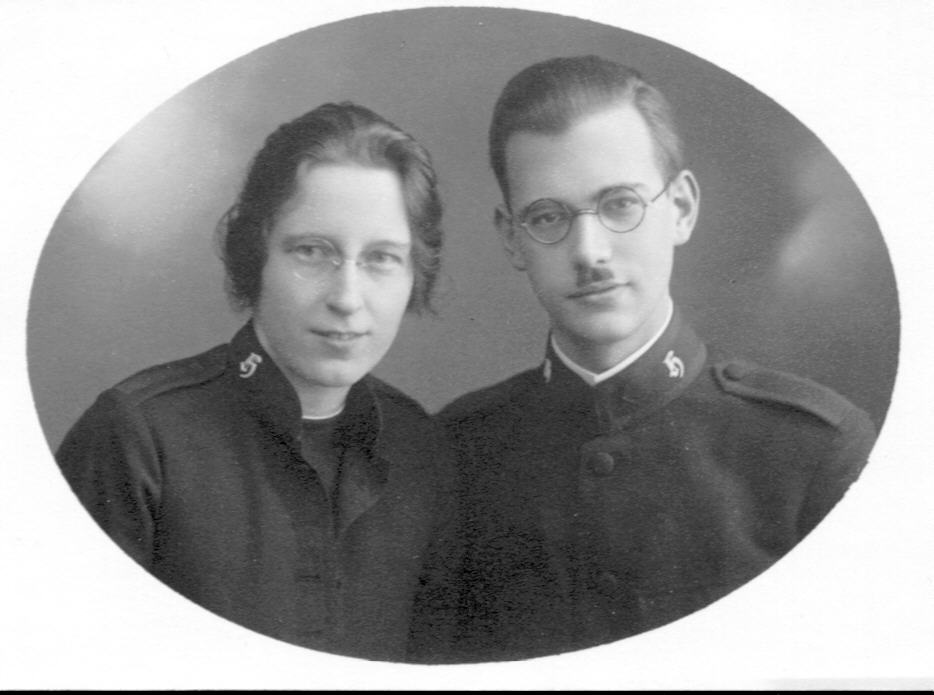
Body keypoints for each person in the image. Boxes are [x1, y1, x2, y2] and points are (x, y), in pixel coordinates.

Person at [440, 56, 878, 661]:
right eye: (548, 217)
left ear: (682, 208)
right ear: (511, 236)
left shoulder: (812, 452)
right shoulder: (451, 458)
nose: (589, 252)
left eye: (620, 205)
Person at [56, 102, 458, 662]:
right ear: (256, 255)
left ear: (415, 273)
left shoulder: (420, 447)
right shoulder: (139, 436)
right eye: (312, 251)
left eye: (381, 258)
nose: (346, 297)